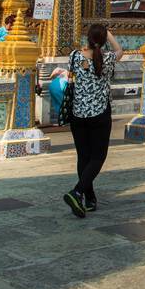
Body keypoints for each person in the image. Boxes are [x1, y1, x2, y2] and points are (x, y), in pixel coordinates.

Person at [48, 24, 123, 218]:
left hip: (78, 113)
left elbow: (72, 73)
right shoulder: (107, 58)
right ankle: (78, 192)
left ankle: (89, 199)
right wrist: (109, 35)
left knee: (84, 156)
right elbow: (119, 50)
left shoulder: (74, 55)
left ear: (88, 38)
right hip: (99, 114)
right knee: (98, 157)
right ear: (104, 39)